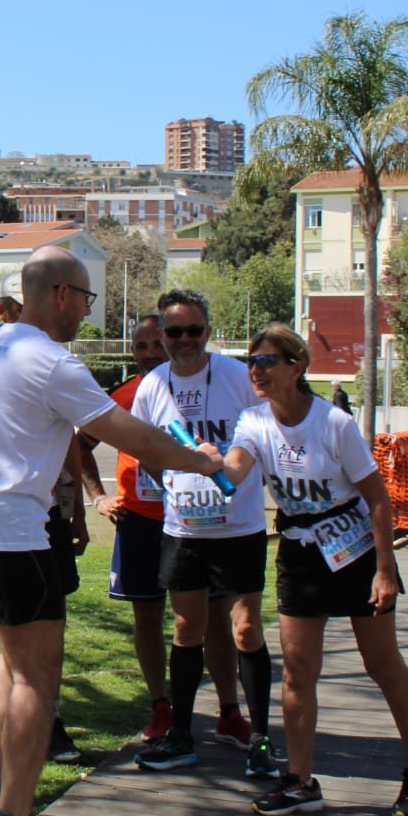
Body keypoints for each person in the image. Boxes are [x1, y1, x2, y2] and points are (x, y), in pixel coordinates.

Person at [0, 249, 225, 816]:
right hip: (13, 537)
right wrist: (202, 461)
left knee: (14, 658)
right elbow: (136, 438)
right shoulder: (50, 360)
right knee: (38, 677)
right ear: (62, 294)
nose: (86, 315)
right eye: (87, 300)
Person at [214, 324, 408, 816]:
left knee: (382, 663)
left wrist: (385, 569)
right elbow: (235, 471)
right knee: (297, 670)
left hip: (355, 548)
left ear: (297, 367)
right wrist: (206, 462)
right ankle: (300, 780)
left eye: (267, 361)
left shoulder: (333, 423)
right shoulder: (253, 420)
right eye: (251, 362)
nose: (255, 370)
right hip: (300, 551)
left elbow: (378, 497)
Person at [0, 272, 94, 776]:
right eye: (6, 305)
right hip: (10, 523)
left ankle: (13, 751)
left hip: (9, 519)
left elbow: (67, 441)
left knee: (35, 632)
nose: (8, 313)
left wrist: (76, 506)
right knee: (9, 635)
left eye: (13, 304)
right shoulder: (13, 357)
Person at [131, 288, 277, 778]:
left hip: (239, 527)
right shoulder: (152, 385)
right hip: (184, 529)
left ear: (208, 331)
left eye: (194, 330)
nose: (185, 340)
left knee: (246, 629)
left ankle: (260, 738)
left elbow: (269, 431)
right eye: (174, 332)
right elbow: (143, 445)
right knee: (186, 629)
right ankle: (181, 736)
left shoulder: (237, 376)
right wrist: (172, 476)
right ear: (163, 335)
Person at [98, 313, 174, 743]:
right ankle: (160, 704)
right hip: (139, 520)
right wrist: (98, 496)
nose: (149, 354)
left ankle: (225, 708)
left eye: (157, 344)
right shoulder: (124, 394)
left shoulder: (194, 390)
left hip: (190, 520)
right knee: (147, 617)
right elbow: (80, 443)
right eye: (141, 346)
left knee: (201, 618)